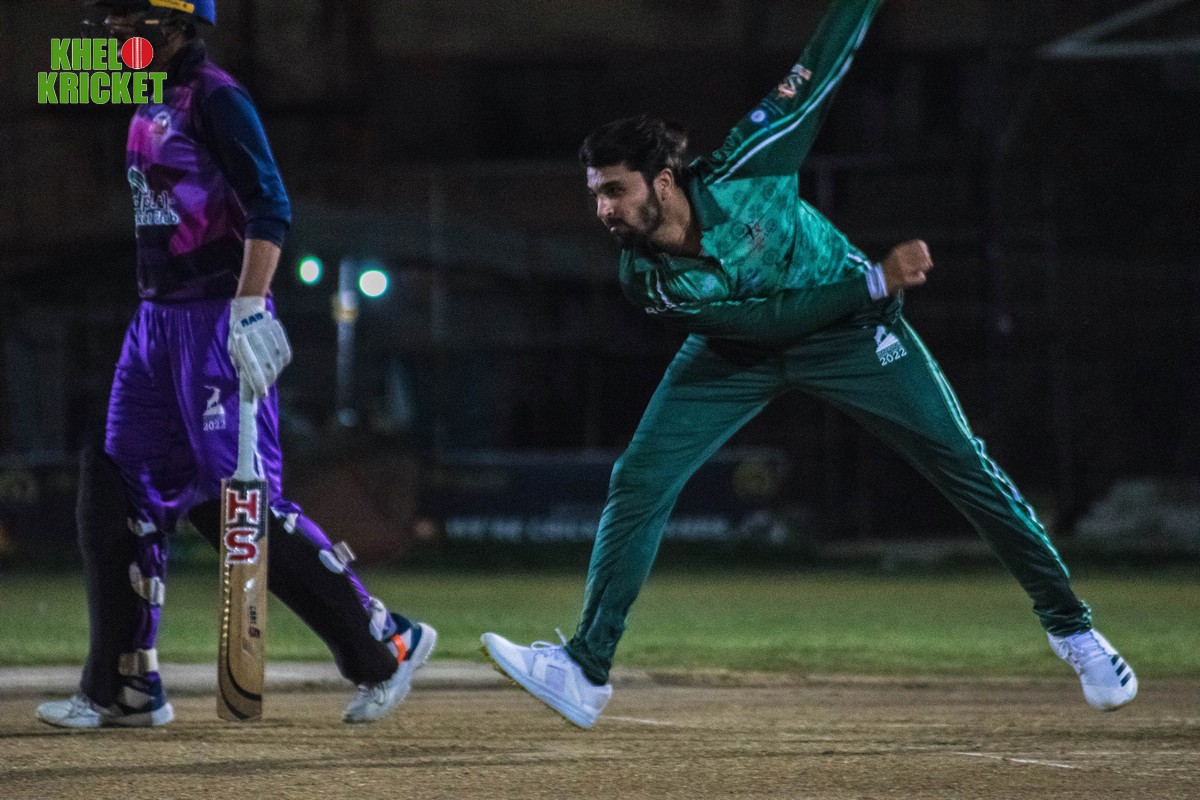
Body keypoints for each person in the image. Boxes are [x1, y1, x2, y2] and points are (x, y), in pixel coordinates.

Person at [482, 0, 1136, 729]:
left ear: (662, 182)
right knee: (638, 480)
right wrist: (875, 280)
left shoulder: (750, 165)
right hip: (744, 345)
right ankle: (585, 669)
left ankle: (1074, 630)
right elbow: (762, 325)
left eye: (615, 190)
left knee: (963, 465)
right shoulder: (645, 277)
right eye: (596, 194)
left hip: (852, 333)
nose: (603, 210)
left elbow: (821, 67)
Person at [36, 0, 435, 728]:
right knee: (117, 484)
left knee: (240, 507)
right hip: (155, 320)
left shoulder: (216, 97)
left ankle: (384, 639)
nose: (114, 33)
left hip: (215, 315)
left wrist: (249, 305)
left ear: (171, 21)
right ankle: (124, 686)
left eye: (127, 18)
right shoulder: (147, 95)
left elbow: (269, 204)